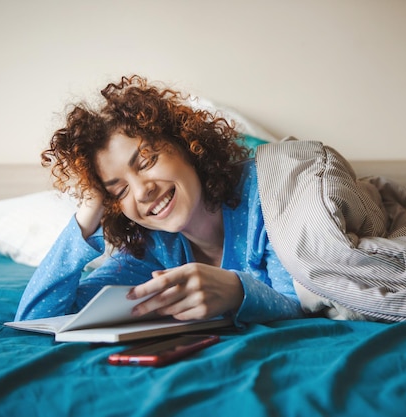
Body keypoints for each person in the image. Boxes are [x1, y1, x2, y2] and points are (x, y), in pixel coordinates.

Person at [15, 75, 305, 326]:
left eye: (146, 161)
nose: (142, 192)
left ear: (186, 145)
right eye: (120, 191)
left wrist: (236, 292)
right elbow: (37, 319)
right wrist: (87, 215)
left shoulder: (265, 193)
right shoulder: (153, 249)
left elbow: (306, 305)